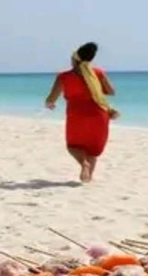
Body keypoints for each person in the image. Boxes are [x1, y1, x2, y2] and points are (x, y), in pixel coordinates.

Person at [45, 42, 118, 183]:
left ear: (74, 59)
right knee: (93, 149)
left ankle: (84, 164)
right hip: (99, 114)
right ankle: (88, 178)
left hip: (77, 115)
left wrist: (50, 104)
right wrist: (93, 88)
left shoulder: (64, 76)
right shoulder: (98, 73)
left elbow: (51, 98)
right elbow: (111, 92)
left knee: (73, 146)